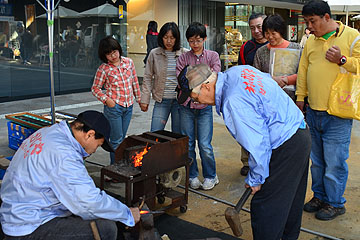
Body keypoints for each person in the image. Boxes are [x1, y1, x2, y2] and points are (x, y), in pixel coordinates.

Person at [178, 63, 311, 240]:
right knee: (290, 200)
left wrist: (256, 178)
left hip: (286, 143)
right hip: (300, 131)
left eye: (194, 97)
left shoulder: (233, 101)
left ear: (206, 86)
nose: (196, 102)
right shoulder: (238, 71)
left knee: (265, 206)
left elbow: (258, 143)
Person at [0, 110, 140, 239]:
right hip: (26, 226)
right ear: (89, 134)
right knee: (106, 229)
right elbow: (87, 202)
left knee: (102, 209)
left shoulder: (50, 132)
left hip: (17, 210)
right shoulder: (64, 153)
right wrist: (126, 214)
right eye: (97, 145)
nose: (94, 151)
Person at [296, 0, 360, 221]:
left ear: (326, 17)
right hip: (313, 111)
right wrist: (300, 98)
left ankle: (335, 203)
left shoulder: (352, 36)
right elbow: (303, 70)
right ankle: (319, 196)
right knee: (318, 161)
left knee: (334, 162)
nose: (309, 26)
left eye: (312, 21)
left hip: (338, 113)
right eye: (306, 22)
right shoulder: (310, 42)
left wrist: (342, 60)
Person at [176, 22, 221, 190]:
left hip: (204, 108)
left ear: (204, 39)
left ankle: (211, 176)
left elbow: (215, 78)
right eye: (191, 41)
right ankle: (192, 175)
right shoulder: (183, 58)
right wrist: (203, 78)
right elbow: (182, 82)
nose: (195, 44)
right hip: (186, 107)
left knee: (205, 145)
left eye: (198, 40)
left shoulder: (213, 56)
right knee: (188, 144)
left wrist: (194, 78)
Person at [92, 36, 141, 164]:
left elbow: (134, 82)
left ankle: (119, 165)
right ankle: (115, 168)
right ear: (104, 56)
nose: (113, 56)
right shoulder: (104, 69)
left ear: (118, 49)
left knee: (122, 139)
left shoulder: (129, 62)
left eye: (114, 51)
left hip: (128, 106)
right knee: (116, 140)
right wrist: (106, 100)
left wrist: (139, 99)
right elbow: (95, 88)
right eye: (108, 54)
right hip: (114, 108)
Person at [140, 22, 186, 133]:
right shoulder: (154, 54)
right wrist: (145, 99)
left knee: (178, 136)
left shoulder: (184, 54)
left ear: (177, 38)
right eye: (166, 37)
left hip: (179, 102)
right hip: (161, 101)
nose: (169, 41)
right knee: (155, 132)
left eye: (172, 38)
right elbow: (147, 77)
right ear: (161, 37)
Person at [237, 12, 268, 177]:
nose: (256, 31)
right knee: (246, 130)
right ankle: (247, 162)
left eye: (259, 27)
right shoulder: (246, 47)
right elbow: (239, 72)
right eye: (252, 28)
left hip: (267, 97)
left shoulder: (274, 44)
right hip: (249, 97)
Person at [253, 14, 302, 101]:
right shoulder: (261, 52)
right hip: (267, 98)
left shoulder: (296, 48)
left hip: (291, 99)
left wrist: (286, 80)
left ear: (281, 32)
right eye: (267, 33)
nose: (270, 37)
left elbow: (303, 73)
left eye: (273, 33)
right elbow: (255, 76)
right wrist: (270, 79)